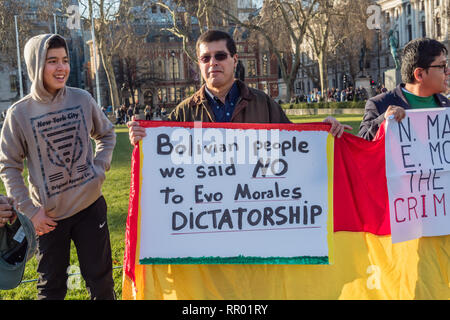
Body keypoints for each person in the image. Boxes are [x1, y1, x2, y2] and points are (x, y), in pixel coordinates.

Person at [0, 34, 116, 299]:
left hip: (90, 208)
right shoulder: (19, 114)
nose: (61, 67)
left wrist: (99, 168)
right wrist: (30, 211)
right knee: (51, 287)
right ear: (35, 65)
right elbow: (8, 165)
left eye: (65, 60)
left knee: (101, 282)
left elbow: (107, 135)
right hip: (48, 220)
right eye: (52, 61)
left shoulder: (83, 99)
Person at [128, 30, 351, 145]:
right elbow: (161, 151)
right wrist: (141, 136)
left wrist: (323, 132)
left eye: (220, 56)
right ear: (199, 64)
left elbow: (295, 142)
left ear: (235, 60)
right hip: (205, 216)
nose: (213, 62)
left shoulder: (262, 103)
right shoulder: (184, 111)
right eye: (205, 58)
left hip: (253, 210)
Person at [359, 38, 449, 141]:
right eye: (442, 66)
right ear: (419, 74)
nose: (448, 71)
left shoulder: (446, 105)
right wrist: (383, 120)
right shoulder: (379, 104)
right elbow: (361, 146)